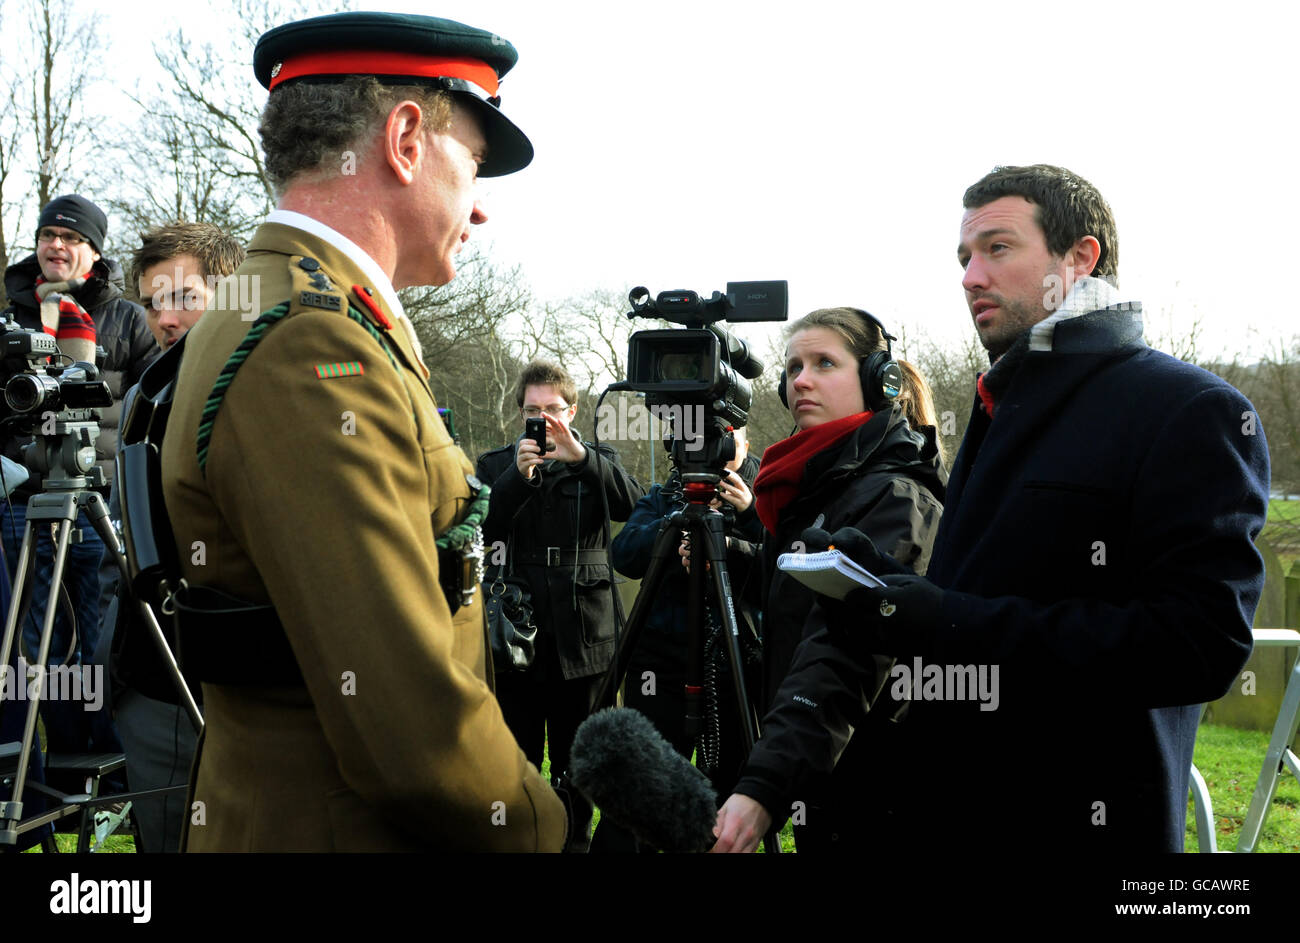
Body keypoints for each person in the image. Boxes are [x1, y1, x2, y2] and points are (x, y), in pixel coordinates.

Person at [716, 164, 1270, 853]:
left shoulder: (1193, 410)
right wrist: (888, 587)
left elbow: (1198, 647)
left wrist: (941, 618)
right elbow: (993, 592)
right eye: (963, 257)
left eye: (997, 249)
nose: (970, 276)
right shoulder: (998, 405)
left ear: (1080, 258)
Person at [157, 11, 567, 851]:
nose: (480, 211)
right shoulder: (313, 339)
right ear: (407, 138)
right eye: (475, 166)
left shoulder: (282, 306)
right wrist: (546, 829)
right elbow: (409, 728)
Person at [710, 307, 947, 851]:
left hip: (873, 786)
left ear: (877, 380)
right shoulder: (812, 490)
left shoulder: (895, 498)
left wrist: (767, 782)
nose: (801, 380)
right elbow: (797, 601)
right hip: (821, 770)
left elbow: (847, 653)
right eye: (792, 368)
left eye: (824, 363)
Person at [92, 222, 244, 853]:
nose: (165, 318)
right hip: (151, 679)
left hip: (236, 676)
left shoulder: (260, 389)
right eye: (154, 302)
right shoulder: (142, 398)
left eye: (184, 297)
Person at [0, 194, 156, 760]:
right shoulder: (10, 315)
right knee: (24, 641)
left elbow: (150, 408)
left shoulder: (128, 319)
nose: (56, 246)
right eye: (48, 236)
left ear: (93, 250)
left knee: (93, 635)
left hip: (96, 500)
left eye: (70, 238)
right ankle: (39, 766)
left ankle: (102, 762)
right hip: (19, 501)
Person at [476, 360, 644, 850]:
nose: (544, 420)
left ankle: (575, 841)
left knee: (581, 756)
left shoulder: (597, 459)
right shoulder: (494, 464)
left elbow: (635, 511)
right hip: (517, 632)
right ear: (520, 414)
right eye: (533, 410)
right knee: (517, 754)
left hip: (586, 631)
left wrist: (583, 458)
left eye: (553, 409)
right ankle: (524, 839)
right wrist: (517, 476)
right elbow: (478, 530)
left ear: (572, 410)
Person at [593, 425, 762, 851]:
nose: (712, 447)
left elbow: (786, 569)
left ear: (744, 442)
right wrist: (672, 535)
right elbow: (624, 553)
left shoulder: (767, 490)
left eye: (725, 436)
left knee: (726, 790)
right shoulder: (667, 494)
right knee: (639, 783)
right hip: (661, 666)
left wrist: (750, 515)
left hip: (733, 664)